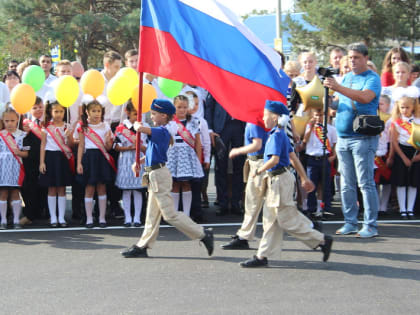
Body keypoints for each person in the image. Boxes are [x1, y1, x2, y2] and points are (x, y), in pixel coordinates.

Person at [239, 101, 333, 268]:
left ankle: (321, 240)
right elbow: (293, 157)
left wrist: (259, 171)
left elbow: (275, 159)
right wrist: (304, 178)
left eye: (266, 115)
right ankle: (262, 256)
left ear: (274, 117)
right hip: (278, 180)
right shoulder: (278, 133)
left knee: (285, 220)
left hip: (279, 181)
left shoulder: (275, 136)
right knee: (270, 219)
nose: (263, 118)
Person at [121, 99, 214, 258]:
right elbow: (152, 151)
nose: (151, 116)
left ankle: (202, 233)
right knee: (152, 214)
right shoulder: (160, 130)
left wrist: (135, 126)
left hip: (159, 175)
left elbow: (143, 129)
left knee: (169, 215)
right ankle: (143, 245)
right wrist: (140, 162)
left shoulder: (162, 131)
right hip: (154, 173)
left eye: (154, 113)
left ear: (164, 116)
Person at [323, 43, 381, 238]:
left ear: (365, 58)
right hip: (344, 137)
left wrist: (338, 86)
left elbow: (365, 98)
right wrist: (327, 98)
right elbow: (339, 103)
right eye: (350, 57)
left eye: (356, 57)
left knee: (365, 183)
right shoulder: (347, 77)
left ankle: (370, 226)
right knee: (346, 184)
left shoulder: (372, 78)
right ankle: (350, 222)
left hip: (363, 137)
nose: (352, 61)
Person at [221, 122, 267, 249]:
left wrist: (238, 150)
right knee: (252, 203)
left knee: (278, 210)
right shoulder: (255, 121)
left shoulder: (254, 122)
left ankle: (315, 235)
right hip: (257, 163)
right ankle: (244, 237)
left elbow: (257, 145)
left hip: (259, 163)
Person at [76, 100, 115, 228]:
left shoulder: (105, 126)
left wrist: (109, 141)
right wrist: (79, 163)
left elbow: (108, 147)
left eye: (98, 111)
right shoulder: (83, 127)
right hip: (89, 158)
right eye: (93, 111)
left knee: (102, 187)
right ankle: (89, 218)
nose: (96, 114)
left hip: (102, 157)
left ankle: (102, 218)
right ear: (87, 112)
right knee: (89, 188)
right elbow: (81, 146)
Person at [205, 93, 246, 215]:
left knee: (239, 166)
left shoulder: (242, 80)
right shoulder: (218, 79)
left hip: (239, 126)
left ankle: (236, 203)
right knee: (220, 166)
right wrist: (210, 129)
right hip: (221, 127)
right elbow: (209, 107)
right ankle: (222, 203)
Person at [39, 100, 74, 228]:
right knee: (51, 188)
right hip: (50, 157)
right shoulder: (46, 127)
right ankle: (53, 217)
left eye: (61, 111)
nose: (58, 114)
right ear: (50, 112)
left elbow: (70, 145)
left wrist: (69, 136)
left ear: (64, 112)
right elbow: (43, 145)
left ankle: (61, 217)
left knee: (62, 188)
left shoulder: (67, 127)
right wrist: (42, 162)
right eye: (56, 111)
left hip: (62, 158)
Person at [167, 95, 204, 217]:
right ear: (174, 107)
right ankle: (175, 215)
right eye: (179, 107)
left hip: (188, 156)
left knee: (187, 183)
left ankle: (186, 215)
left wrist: (198, 159)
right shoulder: (169, 122)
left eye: (184, 107)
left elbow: (198, 142)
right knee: (175, 184)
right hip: (173, 155)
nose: (182, 110)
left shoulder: (194, 122)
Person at [387, 87, 420, 219]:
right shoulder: (396, 122)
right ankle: (403, 209)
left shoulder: (418, 122)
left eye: (407, 107)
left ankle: (410, 209)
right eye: (402, 107)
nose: (405, 110)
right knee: (401, 182)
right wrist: (401, 157)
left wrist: (416, 157)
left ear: (413, 107)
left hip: (415, 152)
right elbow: (394, 141)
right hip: (402, 152)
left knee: (413, 183)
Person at [114, 101, 147, 227]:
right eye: (134, 114)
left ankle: (137, 217)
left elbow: (148, 145)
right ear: (127, 113)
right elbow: (115, 146)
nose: (137, 117)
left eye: (139, 114)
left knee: (138, 190)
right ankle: (127, 217)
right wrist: (129, 148)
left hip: (140, 159)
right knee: (127, 191)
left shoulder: (144, 127)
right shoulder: (121, 128)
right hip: (126, 160)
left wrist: (142, 147)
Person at [302, 108, 337, 218]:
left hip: (324, 158)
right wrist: (311, 127)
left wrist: (333, 156)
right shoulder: (309, 127)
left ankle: (324, 209)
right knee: (312, 185)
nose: (318, 118)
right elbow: (304, 140)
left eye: (321, 115)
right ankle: (311, 209)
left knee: (325, 185)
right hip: (312, 159)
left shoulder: (330, 129)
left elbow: (333, 144)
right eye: (316, 115)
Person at [20, 97, 48, 226]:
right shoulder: (25, 124)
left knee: (44, 186)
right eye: (35, 108)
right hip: (30, 158)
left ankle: (42, 211)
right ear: (29, 110)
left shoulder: (48, 122)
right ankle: (29, 213)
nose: (38, 110)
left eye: (40, 107)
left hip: (46, 157)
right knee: (28, 186)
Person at [0, 107, 28, 229]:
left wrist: (19, 153)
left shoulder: (22, 135)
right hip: (3, 168)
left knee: (16, 193)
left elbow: (27, 153)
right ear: (3, 121)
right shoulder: (1, 135)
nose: (10, 123)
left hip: (16, 168)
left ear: (17, 119)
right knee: (3, 193)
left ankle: (16, 220)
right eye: (7, 121)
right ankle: (4, 220)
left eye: (12, 120)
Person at [376, 95, 392, 216]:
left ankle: (383, 206)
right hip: (374, 152)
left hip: (386, 151)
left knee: (386, 180)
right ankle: (375, 205)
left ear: (388, 105)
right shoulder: (373, 117)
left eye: (382, 104)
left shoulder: (391, 120)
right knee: (374, 181)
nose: (379, 106)